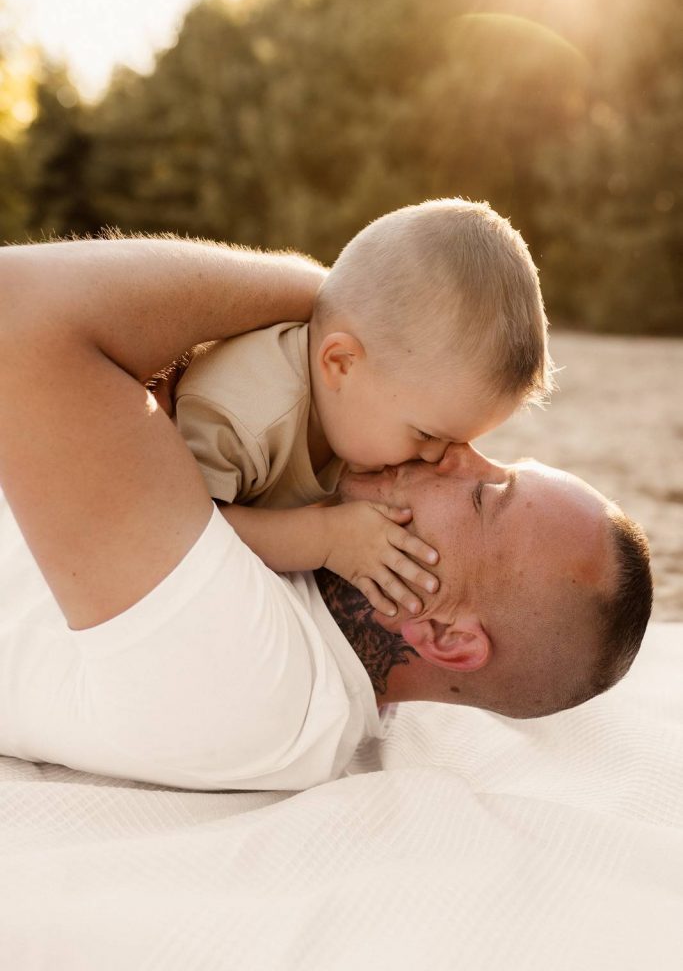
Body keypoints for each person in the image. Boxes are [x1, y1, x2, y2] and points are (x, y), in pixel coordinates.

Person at [0, 237, 652, 791]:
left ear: (448, 636)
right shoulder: (306, 561)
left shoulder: (257, 679)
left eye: (485, 494)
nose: (458, 455)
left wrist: (332, 301)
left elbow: (17, 305)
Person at [164, 198, 554, 618]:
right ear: (341, 363)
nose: (438, 458)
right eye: (427, 435)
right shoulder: (241, 415)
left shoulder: (354, 409)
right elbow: (179, 534)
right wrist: (328, 538)